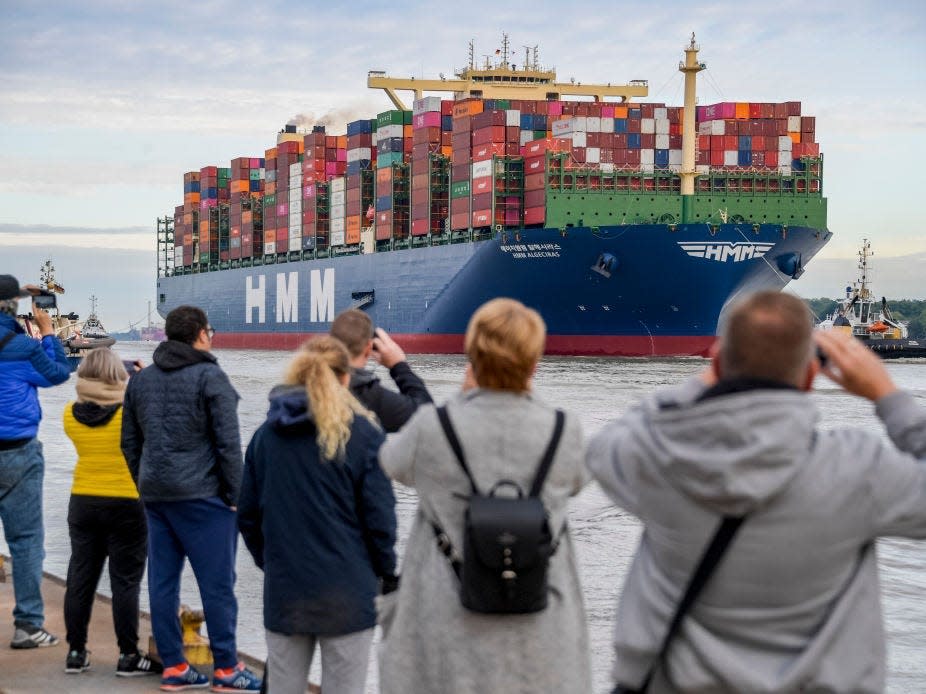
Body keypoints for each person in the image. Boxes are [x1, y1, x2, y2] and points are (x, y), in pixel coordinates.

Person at [587, 290, 926, 693]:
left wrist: (702, 381)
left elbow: (607, 443)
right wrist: (888, 395)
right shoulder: (859, 469)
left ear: (717, 361)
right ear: (809, 375)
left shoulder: (660, 459)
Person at [377, 298, 591, 693]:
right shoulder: (565, 432)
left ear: (470, 360)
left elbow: (390, 462)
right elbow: (578, 479)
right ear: (534, 363)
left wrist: (443, 391)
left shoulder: (432, 429)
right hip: (539, 633)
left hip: (446, 631)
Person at [238, 336, 397, 694]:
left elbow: (247, 515)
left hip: (285, 590)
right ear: (345, 379)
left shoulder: (266, 437)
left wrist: (273, 561)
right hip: (349, 593)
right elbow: (382, 522)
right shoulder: (363, 435)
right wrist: (384, 573)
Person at [121, 305, 261, 692]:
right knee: (217, 587)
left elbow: (129, 443)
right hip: (204, 500)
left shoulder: (141, 381)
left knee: (162, 583)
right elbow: (229, 447)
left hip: (156, 497)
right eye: (210, 331)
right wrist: (235, 497)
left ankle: (174, 668)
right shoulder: (210, 377)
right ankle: (227, 669)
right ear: (200, 335)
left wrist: (143, 483)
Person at [61, 348, 160, 676]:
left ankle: (75, 652)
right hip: (127, 502)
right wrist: (141, 382)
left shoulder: (68, 415)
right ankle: (127, 656)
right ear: (118, 374)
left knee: (80, 577)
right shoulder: (129, 414)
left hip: (83, 500)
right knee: (125, 582)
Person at [0, 274, 71, 649]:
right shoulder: (22, 347)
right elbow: (59, 373)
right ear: (13, 306)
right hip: (17, 453)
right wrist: (47, 331)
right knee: (26, 541)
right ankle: (27, 625)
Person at [330, 308, 432, 432]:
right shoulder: (371, 396)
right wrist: (399, 365)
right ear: (369, 347)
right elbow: (428, 419)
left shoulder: (306, 384)